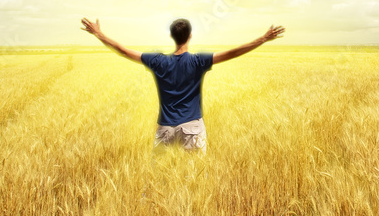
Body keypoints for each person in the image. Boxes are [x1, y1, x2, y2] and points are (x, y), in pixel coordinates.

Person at [80, 17, 285, 152]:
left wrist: (98, 33)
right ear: (190, 36)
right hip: (193, 127)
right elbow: (232, 52)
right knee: (195, 182)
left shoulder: (158, 61)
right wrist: (263, 39)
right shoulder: (198, 61)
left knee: (158, 180)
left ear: (172, 37)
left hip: (165, 129)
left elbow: (123, 50)